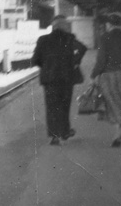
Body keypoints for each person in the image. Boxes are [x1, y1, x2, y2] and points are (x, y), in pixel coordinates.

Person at [31, 15, 87, 145]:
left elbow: (35, 60)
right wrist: (75, 62)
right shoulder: (69, 38)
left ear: (53, 27)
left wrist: (46, 67)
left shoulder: (43, 39)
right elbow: (83, 48)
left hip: (49, 79)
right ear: (64, 27)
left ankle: (54, 136)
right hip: (66, 78)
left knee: (51, 107)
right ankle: (65, 131)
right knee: (64, 106)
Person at [91, 12, 121, 147]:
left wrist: (94, 75)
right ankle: (120, 126)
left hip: (110, 75)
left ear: (109, 24)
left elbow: (101, 60)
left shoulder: (104, 37)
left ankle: (118, 130)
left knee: (113, 101)